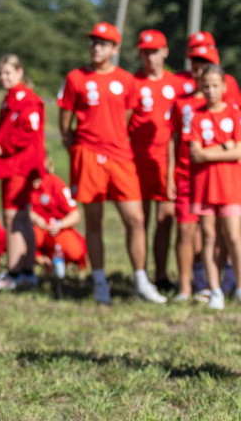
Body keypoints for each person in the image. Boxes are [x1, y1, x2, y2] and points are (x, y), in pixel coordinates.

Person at [57, 21, 166, 305]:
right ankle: (100, 282)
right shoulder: (75, 78)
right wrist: (76, 143)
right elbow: (65, 121)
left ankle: (141, 280)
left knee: (136, 218)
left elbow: (127, 118)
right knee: (94, 219)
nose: (96, 47)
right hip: (88, 156)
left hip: (120, 157)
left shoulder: (127, 80)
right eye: (93, 42)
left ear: (115, 49)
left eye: (103, 43)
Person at [128, 29, 191, 292]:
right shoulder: (133, 83)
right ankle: (140, 276)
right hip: (137, 161)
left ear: (165, 52)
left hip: (166, 163)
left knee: (165, 219)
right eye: (145, 52)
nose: (150, 57)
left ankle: (162, 275)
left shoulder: (178, 85)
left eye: (154, 52)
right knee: (138, 220)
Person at [183, 65, 241, 310]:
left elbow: (239, 150)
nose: (210, 90)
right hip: (204, 186)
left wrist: (210, 151)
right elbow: (195, 155)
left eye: (215, 85)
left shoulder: (234, 114)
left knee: (234, 238)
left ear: (224, 87)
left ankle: (238, 287)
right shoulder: (196, 117)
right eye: (206, 86)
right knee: (208, 237)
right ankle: (214, 289)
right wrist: (224, 148)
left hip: (230, 186)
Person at [0, 54, 45, 290]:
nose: (3, 78)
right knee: (21, 217)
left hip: (19, 166)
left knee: (13, 217)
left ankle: (14, 272)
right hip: (12, 165)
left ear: (19, 72)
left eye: (8, 73)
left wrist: (2, 147)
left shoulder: (27, 99)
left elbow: (28, 131)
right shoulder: (9, 98)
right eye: (0, 74)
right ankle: (25, 271)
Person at [167, 52, 210, 302]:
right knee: (185, 231)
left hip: (211, 178)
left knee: (209, 234)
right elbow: (172, 141)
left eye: (204, 66)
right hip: (185, 175)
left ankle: (205, 283)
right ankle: (184, 287)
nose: (199, 70)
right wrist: (170, 175)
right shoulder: (181, 103)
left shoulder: (224, 105)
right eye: (195, 64)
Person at [29, 157, 87, 272]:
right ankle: (36, 258)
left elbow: (75, 214)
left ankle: (52, 258)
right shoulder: (21, 184)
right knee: (29, 236)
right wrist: (34, 217)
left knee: (75, 251)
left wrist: (60, 224)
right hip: (35, 229)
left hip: (56, 230)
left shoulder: (55, 182)